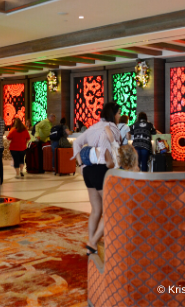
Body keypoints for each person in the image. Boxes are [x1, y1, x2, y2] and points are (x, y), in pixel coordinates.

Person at [72, 102, 121, 256]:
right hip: (102, 171)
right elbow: (108, 149)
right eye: (119, 113)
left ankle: (91, 242)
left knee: (96, 210)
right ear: (113, 114)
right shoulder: (112, 128)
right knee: (111, 211)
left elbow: (77, 143)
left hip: (88, 171)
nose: (120, 116)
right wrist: (110, 163)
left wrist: (80, 165)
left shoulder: (92, 127)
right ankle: (93, 243)